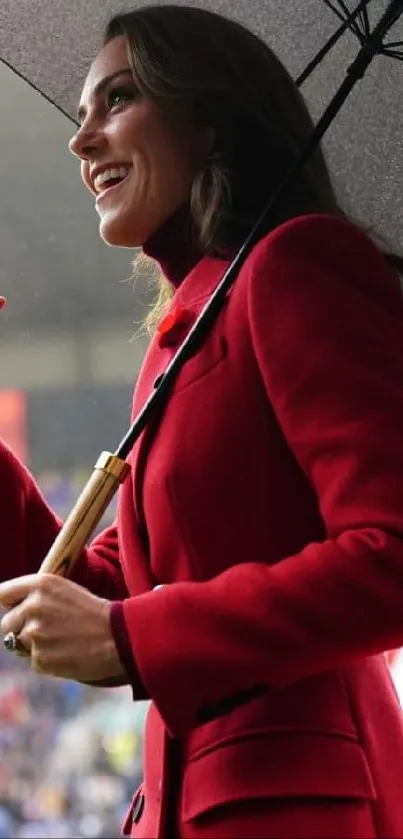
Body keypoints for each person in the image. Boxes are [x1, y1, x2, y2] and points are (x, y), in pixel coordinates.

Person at [1, 5, 403, 837]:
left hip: (295, 807)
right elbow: (98, 587)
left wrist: (132, 636)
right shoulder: (180, 339)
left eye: (116, 101)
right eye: (80, 115)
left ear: (209, 117)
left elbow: (392, 554)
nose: (81, 143)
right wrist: (120, 624)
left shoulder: (297, 264)